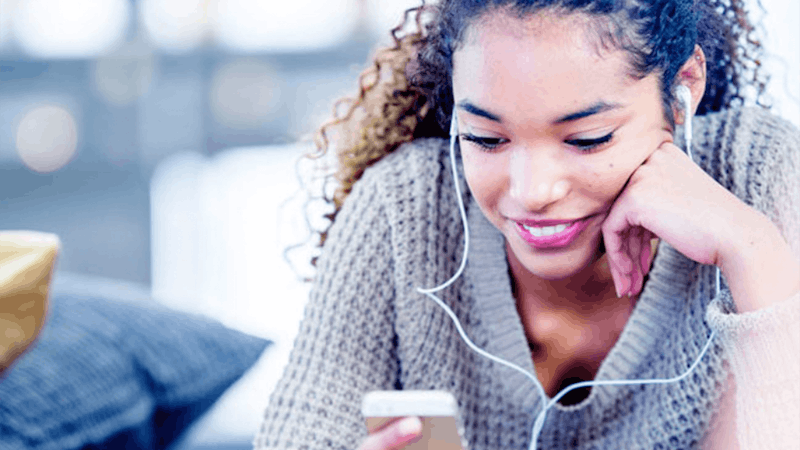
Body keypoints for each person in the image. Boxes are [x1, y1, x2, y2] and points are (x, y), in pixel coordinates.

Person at [254, 0, 800, 449]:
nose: (532, 192)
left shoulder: (757, 173)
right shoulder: (405, 209)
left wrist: (755, 254)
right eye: (486, 138)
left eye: (587, 138)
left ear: (682, 91)